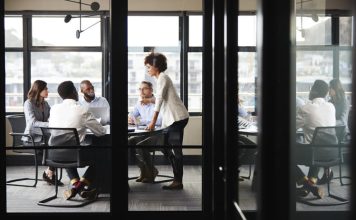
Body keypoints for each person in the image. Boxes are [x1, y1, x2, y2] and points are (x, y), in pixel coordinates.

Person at [49, 81, 106, 200]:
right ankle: (79, 188)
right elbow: (101, 132)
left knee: (65, 146)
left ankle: (76, 186)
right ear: (75, 92)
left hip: (53, 153)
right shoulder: (81, 110)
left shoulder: (53, 109)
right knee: (104, 155)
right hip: (74, 154)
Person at [145, 52, 189, 190]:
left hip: (177, 118)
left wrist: (152, 122)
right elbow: (160, 98)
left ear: (156, 66)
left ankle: (178, 181)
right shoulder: (160, 79)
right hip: (174, 119)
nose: (147, 69)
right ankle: (177, 179)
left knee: (176, 150)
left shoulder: (162, 78)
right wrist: (147, 100)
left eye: (148, 66)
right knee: (166, 147)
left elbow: (159, 100)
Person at [295, 79, 336, 199]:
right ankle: (310, 184)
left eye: (311, 88)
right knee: (317, 144)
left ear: (314, 91)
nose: (310, 90)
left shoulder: (306, 108)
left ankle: (307, 185)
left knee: (283, 155)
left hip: (313, 153)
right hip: (332, 152)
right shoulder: (331, 107)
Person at [23, 80, 64, 186]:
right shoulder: (28, 103)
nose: (47, 91)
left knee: (58, 146)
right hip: (31, 138)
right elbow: (33, 122)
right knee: (54, 150)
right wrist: (50, 124)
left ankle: (49, 173)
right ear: (38, 90)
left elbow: (53, 116)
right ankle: (49, 174)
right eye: (45, 89)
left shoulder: (45, 104)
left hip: (44, 137)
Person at [128, 81, 163, 183]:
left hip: (158, 134)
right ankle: (145, 170)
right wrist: (129, 118)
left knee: (140, 145)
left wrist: (141, 121)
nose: (142, 91)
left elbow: (159, 120)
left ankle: (150, 170)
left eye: (145, 88)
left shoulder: (157, 102)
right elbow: (132, 115)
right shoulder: (139, 103)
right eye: (140, 89)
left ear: (151, 90)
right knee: (128, 144)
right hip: (143, 133)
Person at [317, 79, 350, 185]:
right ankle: (328, 172)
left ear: (336, 89)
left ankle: (327, 173)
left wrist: (329, 122)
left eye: (330, 88)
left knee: (324, 143)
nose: (329, 90)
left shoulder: (344, 101)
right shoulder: (330, 102)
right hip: (332, 131)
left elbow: (343, 121)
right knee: (319, 141)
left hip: (341, 133)